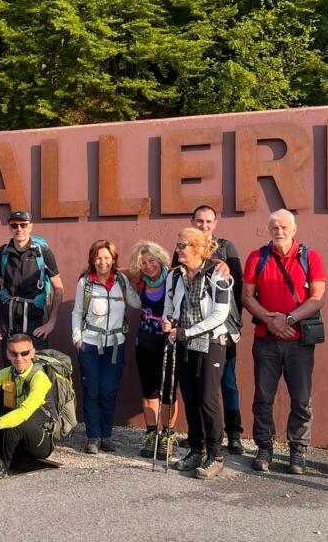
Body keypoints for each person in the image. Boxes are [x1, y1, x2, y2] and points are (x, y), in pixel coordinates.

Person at [242, 209, 327, 474]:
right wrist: (271, 321)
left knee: (301, 399)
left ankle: (297, 451)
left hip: (299, 342)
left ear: (294, 229)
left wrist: (288, 320)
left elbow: (317, 298)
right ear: (269, 230)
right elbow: (247, 296)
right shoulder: (257, 257)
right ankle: (265, 447)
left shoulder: (310, 256)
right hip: (266, 339)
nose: (279, 232)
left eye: (284, 227)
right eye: (275, 227)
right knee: (263, 397)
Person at [162, 228, 233, 479]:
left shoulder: (217, 274)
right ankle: (196, 449)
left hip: (211, 343)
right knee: (190, 398)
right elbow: (169, 306)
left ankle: (216, 455)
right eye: (178, 244)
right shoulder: (175, 277)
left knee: (208, 399)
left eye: (184, 245)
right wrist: (168, 322)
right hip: (184, 343)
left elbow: (220, 315)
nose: (179, 248)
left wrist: (187, 332)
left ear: (199, 249)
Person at [72, 239, 139, 453]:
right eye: (99, 258)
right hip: (90, 344)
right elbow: (77, 312)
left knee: (108, 391)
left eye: (107, 258)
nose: (103, 262)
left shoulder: (121, 280)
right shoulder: (86, 282)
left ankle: (106, 435)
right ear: (92, 259)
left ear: (114, 259)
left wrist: (140, 277)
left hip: (115, 345)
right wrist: (77, 339)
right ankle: (93, 436)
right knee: (92, 390)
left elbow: (136, 303)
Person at [188, 205, 246, 453]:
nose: (204, 225)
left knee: (228, 382)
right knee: (198, 384)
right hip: (193, 329)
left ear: (215, 223)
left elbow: (239, 287)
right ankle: (201, 435)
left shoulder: (227, 248)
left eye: (208, 221)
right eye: (199, 221)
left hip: (223, 328)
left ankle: (234, 434)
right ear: (192, 221)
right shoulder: (185, 247)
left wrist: (235, 323)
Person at [0, 333, 55, 480]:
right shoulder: (6, 373)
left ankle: (1, 468)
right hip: (13, 437)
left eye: (24, 353)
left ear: (32, 353)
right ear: (8, 354)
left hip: (40, 441)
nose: (19, 358)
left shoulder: (40, 379)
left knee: (16, 421)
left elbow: (24, 413)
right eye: (14, 354)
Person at [0, 211, 65, 351]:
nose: (19, 229)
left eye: (23, 225)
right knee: (10, 367)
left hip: (36, 322)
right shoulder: (1, 253)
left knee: (37, 366)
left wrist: (51, 322)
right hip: (8, 322)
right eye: (14, 225)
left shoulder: (43, 253)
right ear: (9, 228)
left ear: (30, 227)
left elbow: (59, 287)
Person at [129, 240, 177, 459]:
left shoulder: (174, 278)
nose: (149, 266)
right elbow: (119, 270)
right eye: (144, 263)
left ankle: (168, 435)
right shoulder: (141, 282)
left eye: (152, 261)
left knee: (168, 393)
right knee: (149, 391)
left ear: (161, 259)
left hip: (169, 343)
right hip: (145, 343)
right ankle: (151, 435)